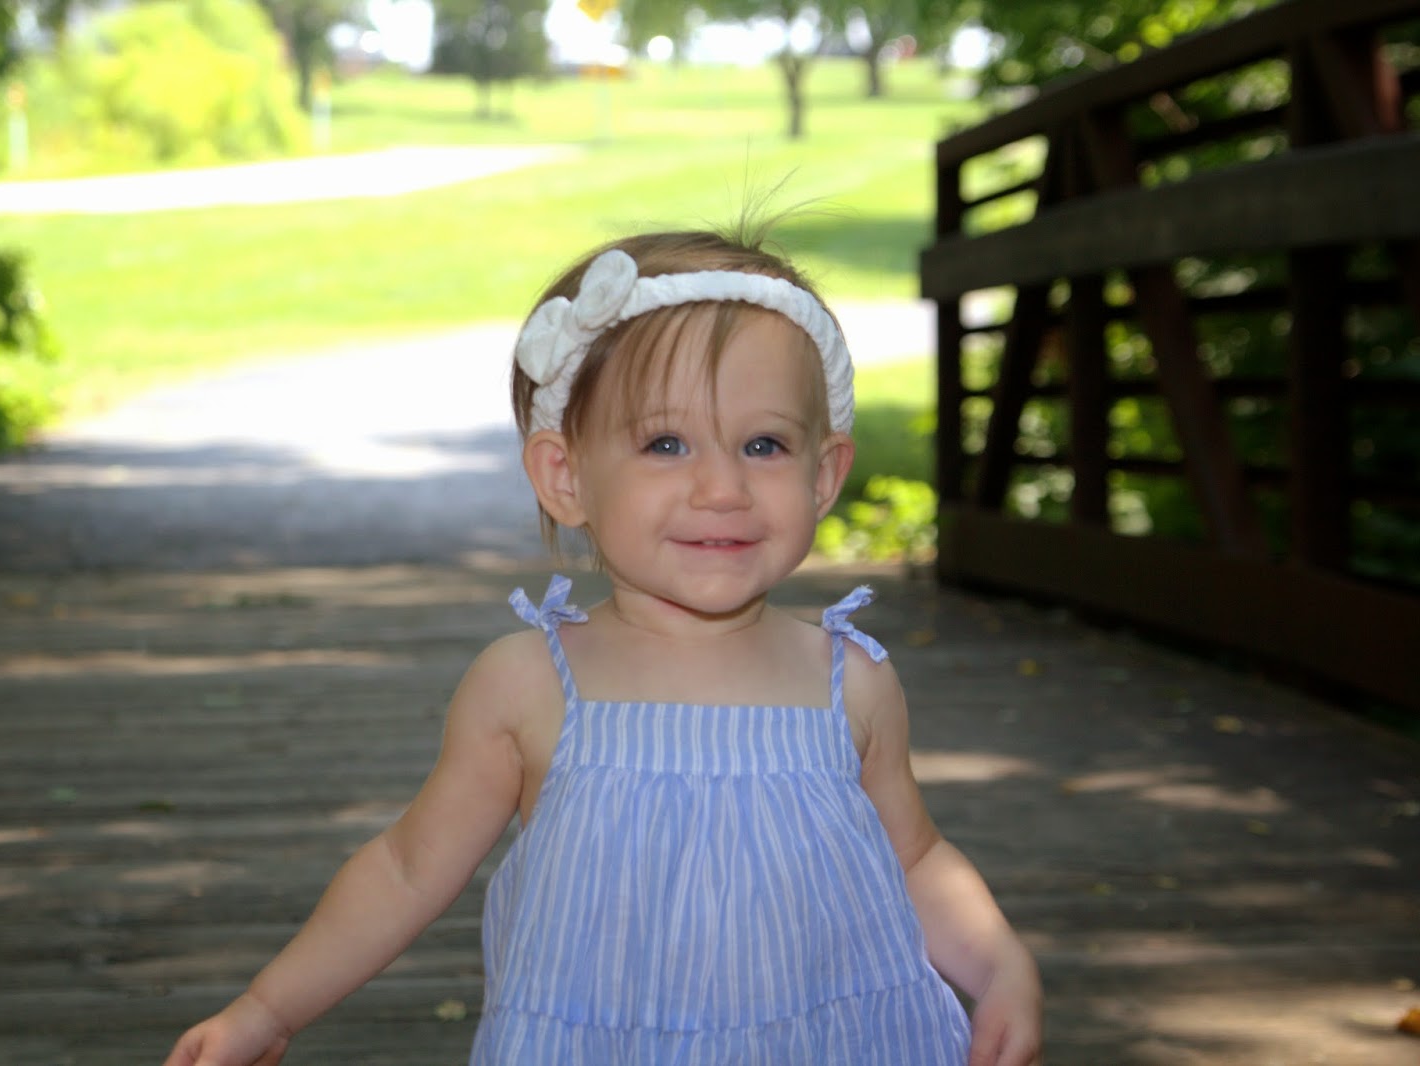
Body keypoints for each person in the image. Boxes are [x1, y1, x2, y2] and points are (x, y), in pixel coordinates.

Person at [163, 224, 1043, 1066]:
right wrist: (268, 1009)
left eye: (763, 444)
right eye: (666, 443)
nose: (722, 486)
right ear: (566, 475)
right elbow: (405, 868)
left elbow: (914, 858)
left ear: (823, 475)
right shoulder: (529, 687)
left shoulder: (847, 682)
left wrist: (999, 965)